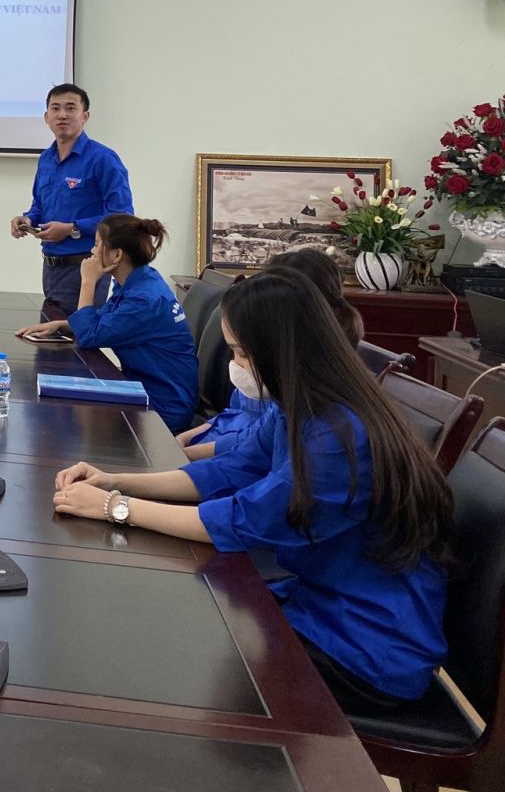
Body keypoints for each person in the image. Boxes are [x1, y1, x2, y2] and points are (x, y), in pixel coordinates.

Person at [52, 268, 451, 712]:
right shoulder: (297, 406)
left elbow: (242, 519)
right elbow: (225, 472)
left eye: (241, 352)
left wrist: (114, 507)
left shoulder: (338, 437)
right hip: (320, 605)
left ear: (279, 350)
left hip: (365, 646)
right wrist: (115, 480)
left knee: (170, 659)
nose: (235, 365)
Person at [178, 247, 363, 460]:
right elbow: (235, 418)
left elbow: (251, 456)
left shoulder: (290, 378)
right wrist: (183, 442)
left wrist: (186, 454)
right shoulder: (269, 363)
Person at [16, 215, 198, 431]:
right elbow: (107, 319)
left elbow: (90, 337)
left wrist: (88, 281)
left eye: (96, 245)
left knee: (63, 410)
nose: (92, 252)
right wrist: (63, 324)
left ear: (117, 255)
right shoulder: (140, 280)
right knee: (56, 394)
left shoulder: (144, 299)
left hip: (162, 406)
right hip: (142, 387)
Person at [9, 84, 133, 321]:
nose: (62, 115)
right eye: (55, 108)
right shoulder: (46, 159)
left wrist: (72, 229)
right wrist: (27, 219)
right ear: (47, 117)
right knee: (53, 339)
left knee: (79, 345)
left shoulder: (103, 159)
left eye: (70, 108)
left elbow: (122, 217)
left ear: (84, 116)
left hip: (86, 266)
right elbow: (39, 205)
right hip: (51, 267)